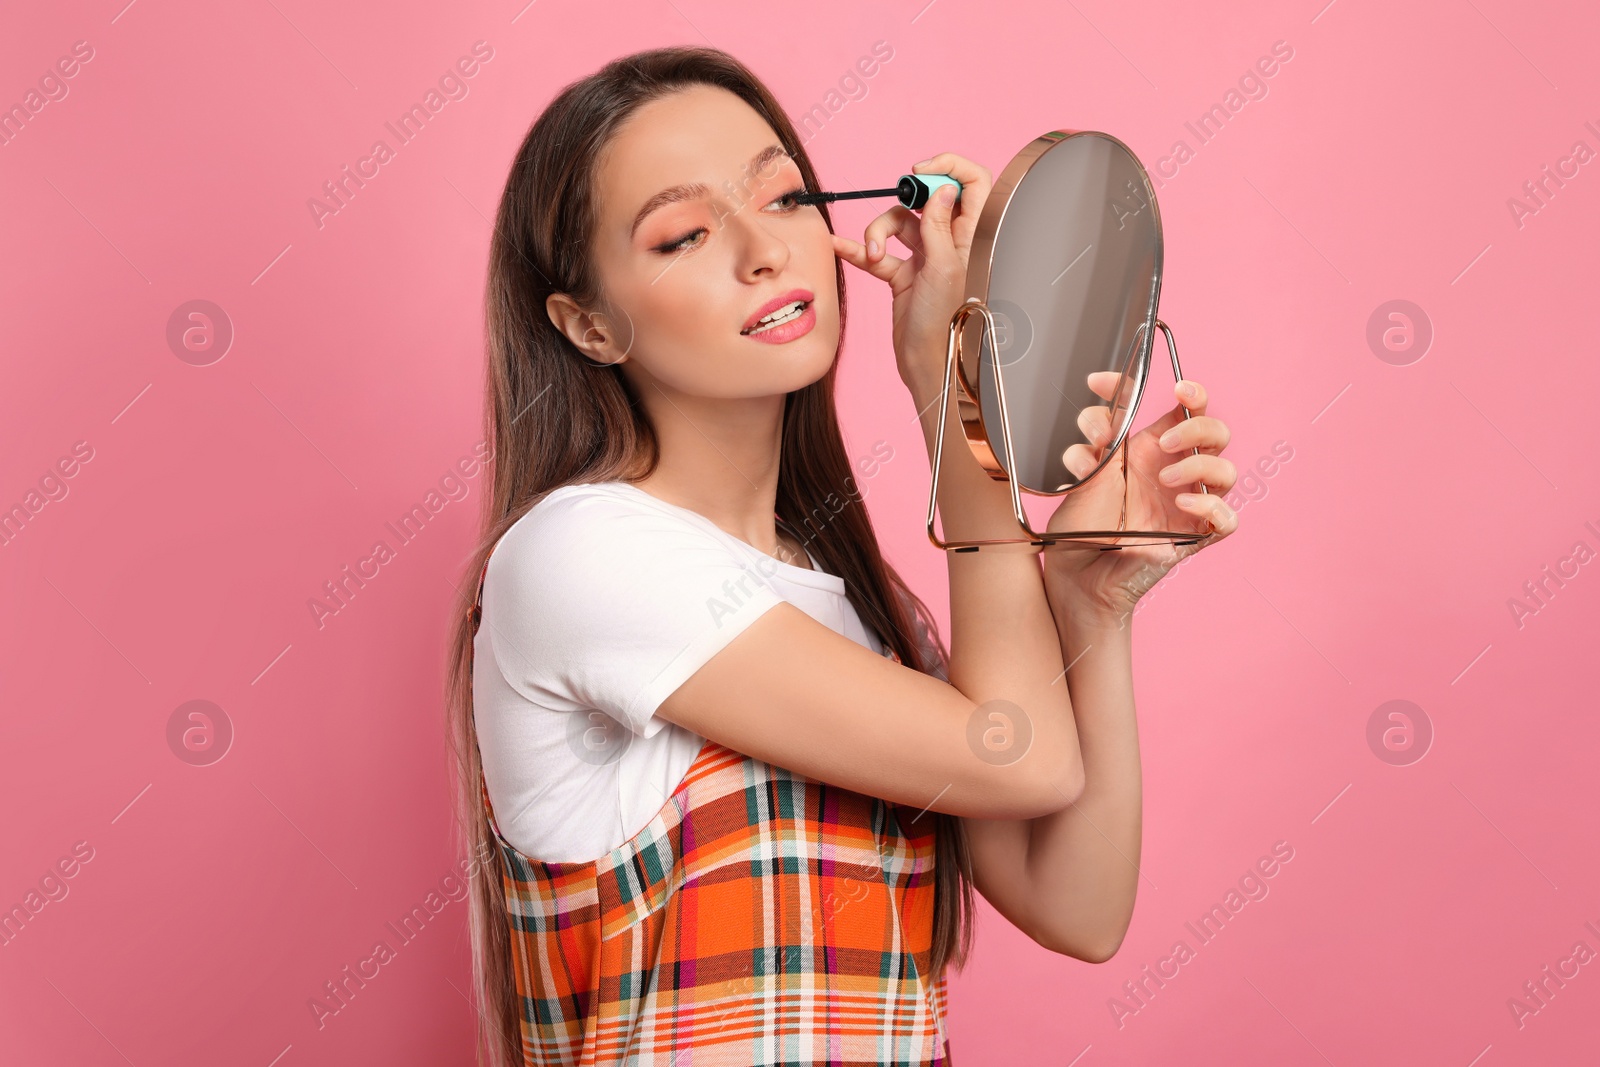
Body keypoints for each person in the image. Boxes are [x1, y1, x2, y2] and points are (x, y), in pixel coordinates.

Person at [442, 45, 1239, 1067]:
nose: (763, 250)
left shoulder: (872, 614)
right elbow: (1022, 752)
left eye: (782, 198)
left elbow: (1073, 901)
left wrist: (1089, 598)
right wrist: (955, 392)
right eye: (683, 233)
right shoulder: (580, 555)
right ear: (588, 324)